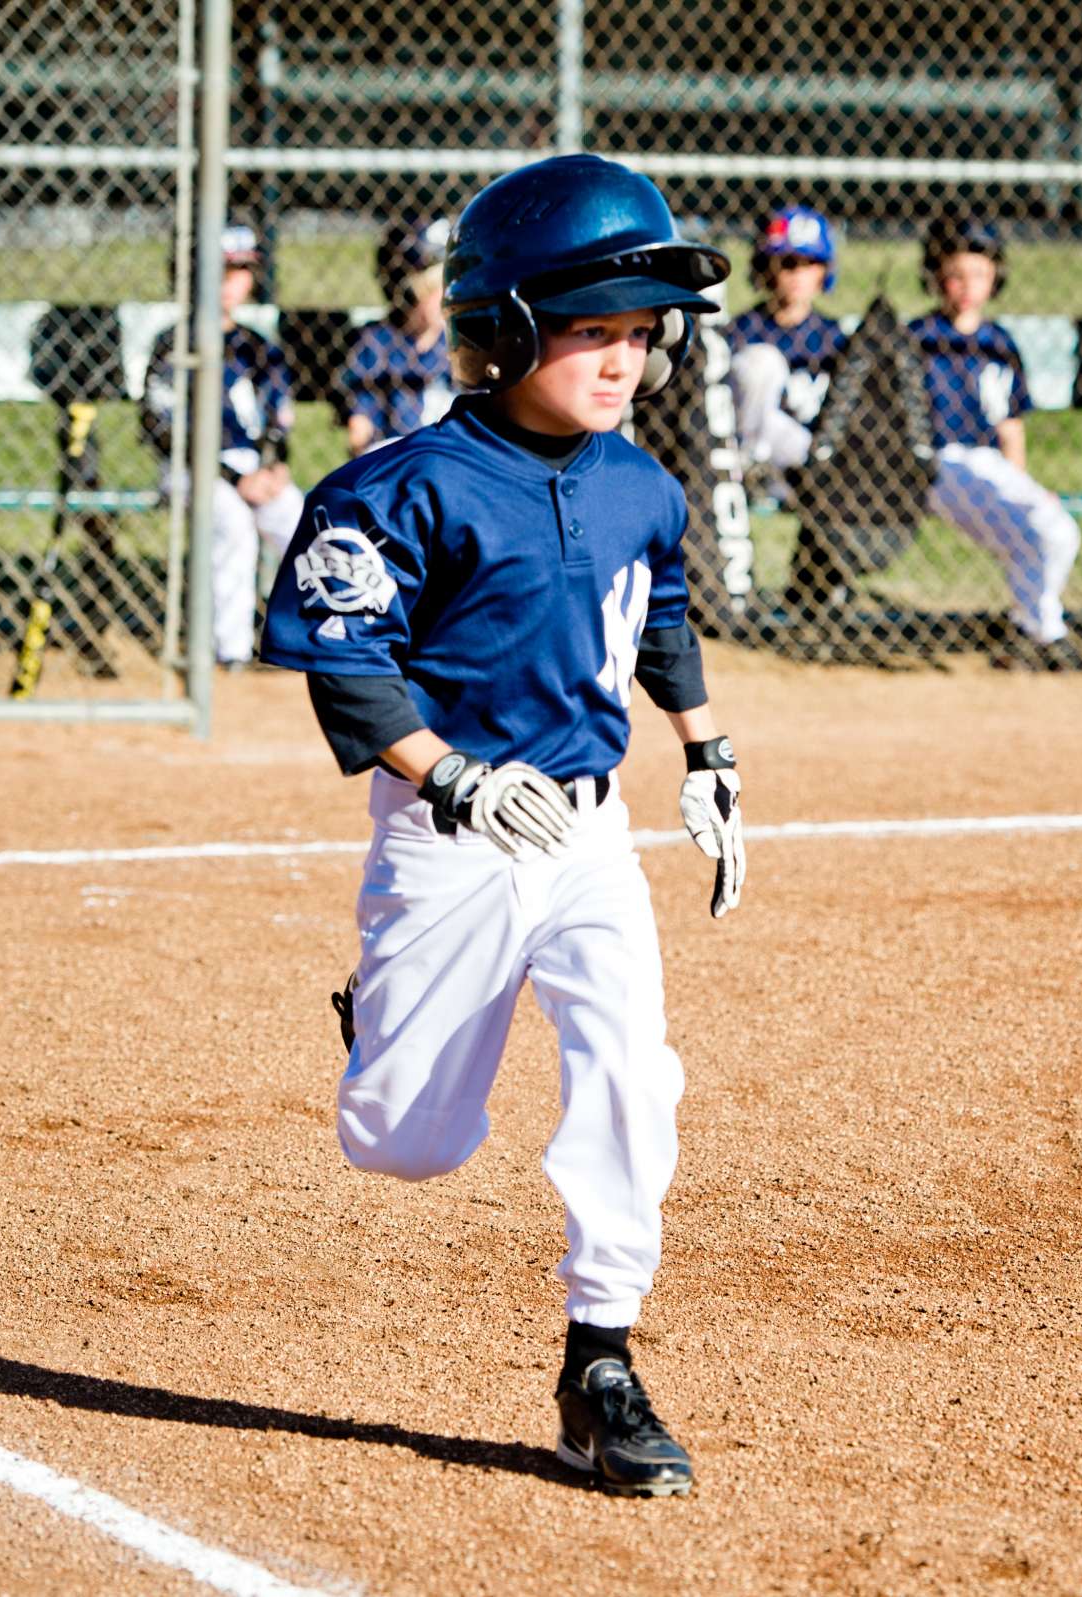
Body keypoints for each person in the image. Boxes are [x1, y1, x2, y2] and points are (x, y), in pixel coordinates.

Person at [259, 153, 745, 1499]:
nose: (623, 360)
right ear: (508, 328)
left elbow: (661, 616)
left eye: (642, 334)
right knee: (406, 1142)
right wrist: (454, 774)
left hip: (587, 834)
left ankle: (602, 1359)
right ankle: (389, 1018)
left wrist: (707, 749)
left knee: (635, 1072)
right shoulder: (398, 488)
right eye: (594, 329)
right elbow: (346, 660)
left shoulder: (642, 483)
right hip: (453, 833)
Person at [908, 212, 1082, 667]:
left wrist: (1021, 484)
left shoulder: (1000, 343)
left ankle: (1033, 630)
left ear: (996, 280)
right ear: (935, 277)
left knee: (1054, 532)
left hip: (990, 468)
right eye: (956, 275)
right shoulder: (916, 339)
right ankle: (1043, 632)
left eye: (980, 275)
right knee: (1040, 535)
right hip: (939, 463)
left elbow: (1011, 427)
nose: (968, 286)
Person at [140, 224, 301, 668]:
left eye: (241, 272)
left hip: (250, 467)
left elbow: (277, 422)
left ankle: (311, 640)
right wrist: (234, 477)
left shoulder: (258, 347)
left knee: (300, 520)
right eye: (222, 272)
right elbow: (163, 429)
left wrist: (272, 467)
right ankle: (226, 651)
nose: (232, 283)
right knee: (232, 522)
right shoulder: (173, 344)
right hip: (191, 468)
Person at [727, 205, 848, 472]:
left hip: (810, 454)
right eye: (787, 263)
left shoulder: (836, 337)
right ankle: (754, 471)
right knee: (761, 361)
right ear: (766, 268)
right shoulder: (740, 331)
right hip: (745, 447)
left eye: (809, 263)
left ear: (823, 271)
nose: (797, 274)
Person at [338, 215, 453, 456]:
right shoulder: (376, 341)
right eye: (436, 289)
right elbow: (359, 432)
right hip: (394, 457)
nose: (449, 298)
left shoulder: (461, 344)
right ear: (407, 291)